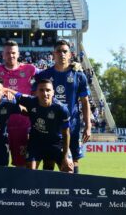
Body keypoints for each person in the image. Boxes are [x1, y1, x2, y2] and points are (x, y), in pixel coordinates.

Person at [0, 40, 38, 167]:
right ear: (3, 55)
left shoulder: (29, 69)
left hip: (21, 124)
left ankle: (20, 188)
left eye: (14, 53)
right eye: (8, 53)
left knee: (21, 164)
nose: (11, 56)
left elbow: (47, 74)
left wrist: (72, 66)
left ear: (18, 54)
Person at [35, 40, 91, 174]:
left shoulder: (79, 75)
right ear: (53, 54)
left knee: (72, 163)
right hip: (50, 127)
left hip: (72, 126)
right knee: (48, 161)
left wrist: (88, 125)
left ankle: (73, 193)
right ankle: (46, 194)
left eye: (65, 51)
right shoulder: (44, 75)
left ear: (70, 54)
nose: (62, 54)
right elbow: (35, 98)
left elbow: (85, 102)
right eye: (58, 51)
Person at [15, 79, 73, 172]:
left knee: (68, 170)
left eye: (48, 90)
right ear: (36, 92)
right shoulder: (31, 101)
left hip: (57, 143)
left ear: (53, 92)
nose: (45, 93)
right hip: (36, 143)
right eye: (41, 90)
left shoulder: (61, 109)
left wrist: (65, 157)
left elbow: (66, 134)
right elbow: (14, 94)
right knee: (30, 172)